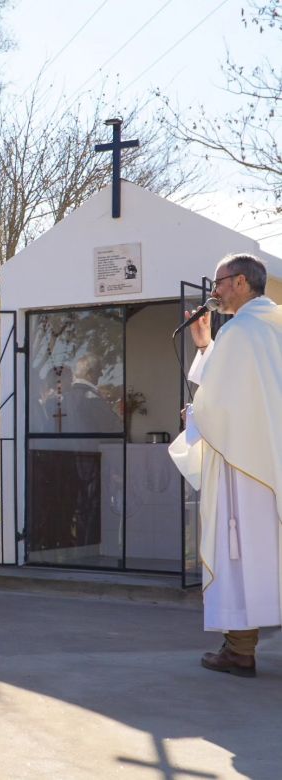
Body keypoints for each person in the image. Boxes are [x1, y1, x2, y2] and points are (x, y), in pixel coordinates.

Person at [171, 253, 282, 677]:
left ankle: (239, 651)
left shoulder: (240, 332)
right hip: (272, 459)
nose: (213, 292)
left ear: (238, 282)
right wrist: (205, 344)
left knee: (239, 554)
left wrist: (194, 417)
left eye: (218, 283)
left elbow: (219, 403)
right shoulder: (271, 325)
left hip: (245, 467)